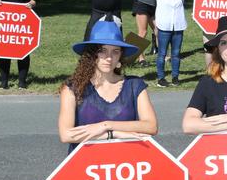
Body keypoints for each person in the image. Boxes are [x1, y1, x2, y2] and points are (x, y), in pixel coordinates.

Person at [58, 21, 158, 153]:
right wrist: (113, 134)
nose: (109, 58)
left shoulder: (134, 85)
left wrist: (106, 126)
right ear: (92, 54)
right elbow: (66, 135)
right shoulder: (72, 88)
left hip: (126, 165)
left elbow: (151, 126)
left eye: (115, 52)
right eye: (102, 51)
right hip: (84, 166)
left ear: (120, 56)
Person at [154, 0, 191, 87]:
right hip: (164, 27)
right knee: (162, 54)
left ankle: (175, 77)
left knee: (176, 54)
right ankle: (161, 78)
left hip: (178, 28)